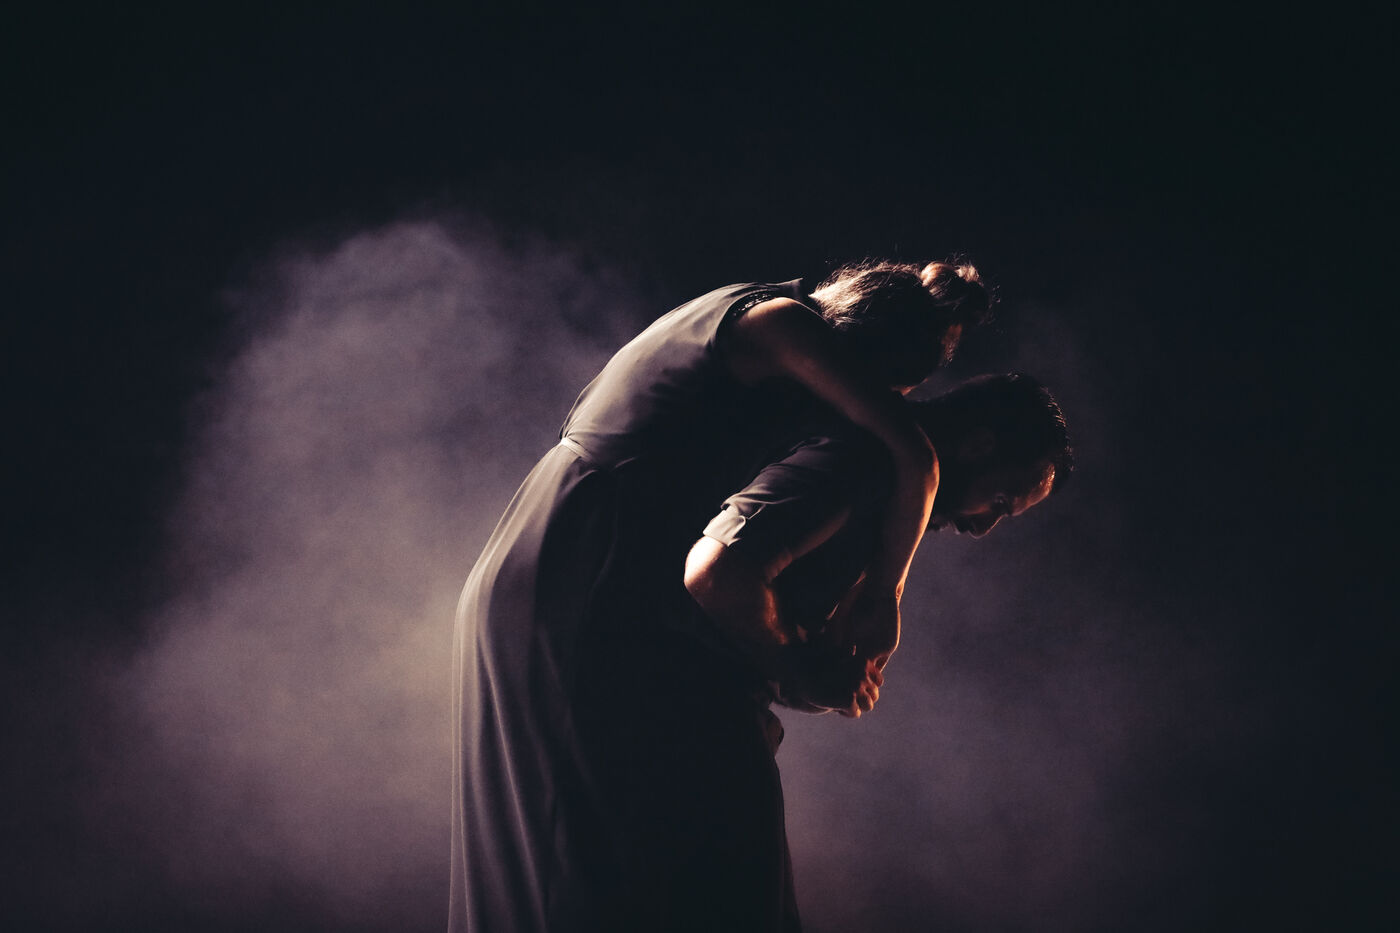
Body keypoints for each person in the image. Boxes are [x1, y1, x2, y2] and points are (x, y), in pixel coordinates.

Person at [450, 261, 991, 932]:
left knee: (574, 842)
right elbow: (914, 453)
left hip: (583, 558)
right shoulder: (776, 322)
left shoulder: (767, 329)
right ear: (861, 351)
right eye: (887, 390)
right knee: (567, 846)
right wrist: (882, 595)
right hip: (578, 561)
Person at [672, 373, 1072, 931]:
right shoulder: (864, 465)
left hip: (704, 718)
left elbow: (754, 629)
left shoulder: (887, 511)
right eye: (1001, 501)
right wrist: (803, 669)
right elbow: (717, 572)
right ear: (979, 445)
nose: (983, 527)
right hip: (675, 717)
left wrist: (824, 676)